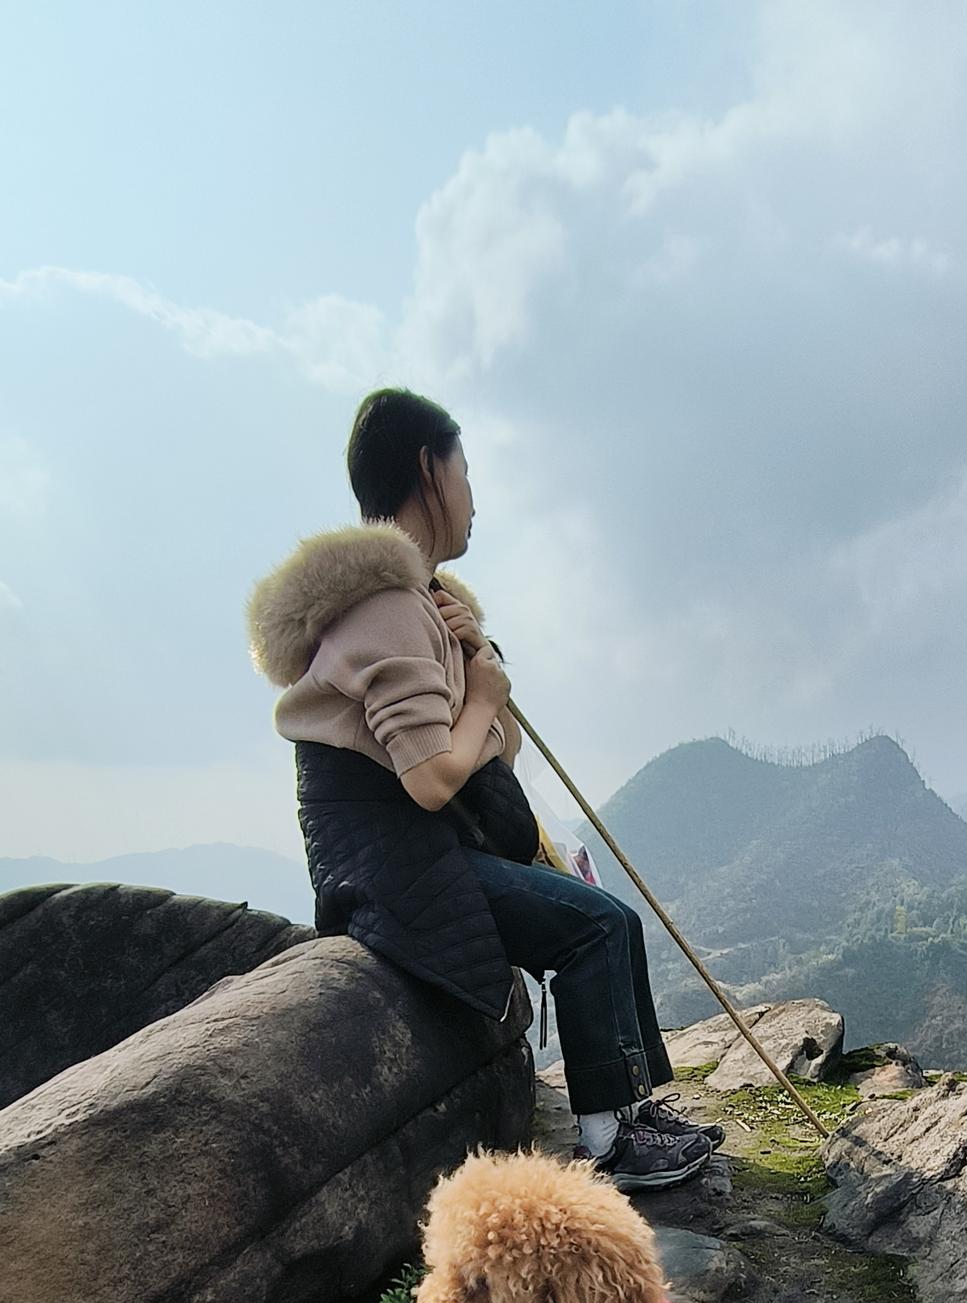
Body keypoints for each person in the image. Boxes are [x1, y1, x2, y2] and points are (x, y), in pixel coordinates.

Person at [247, 388, 717, 1189]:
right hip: (397, 865)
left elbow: (486, 753)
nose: (474, 500)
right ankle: (608, 1145)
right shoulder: (384, 609)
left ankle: (633, 1109)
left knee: (613, 920)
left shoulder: (418, 606)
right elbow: (432, 779)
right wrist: (488, 696)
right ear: (430, 470)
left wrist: (473, 668)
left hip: (419, 851)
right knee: (595, 926)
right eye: (465, 472)